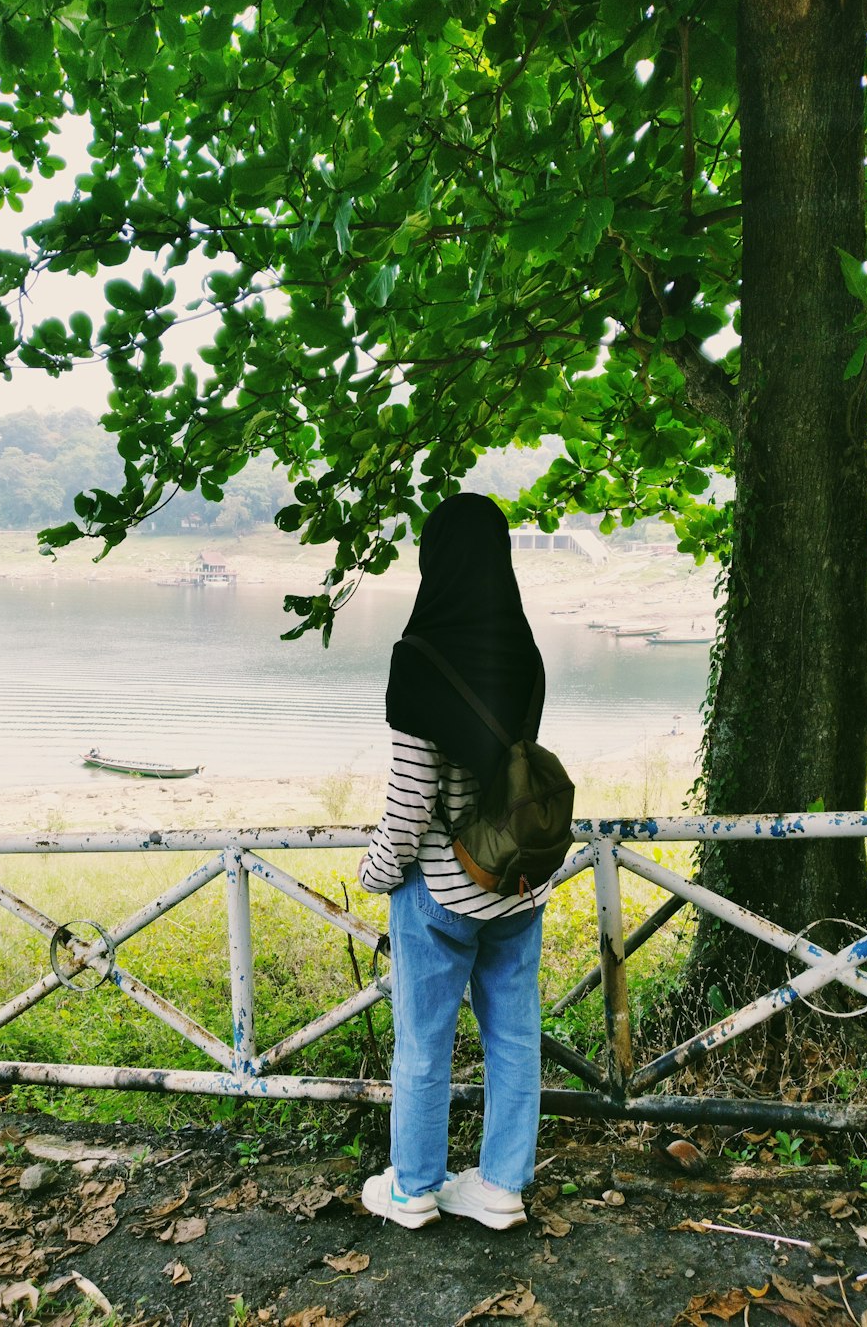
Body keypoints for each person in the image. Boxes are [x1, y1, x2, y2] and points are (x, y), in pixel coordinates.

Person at [357, 493, 553, 1231]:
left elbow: (410, 802)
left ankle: (412, 1187)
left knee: (424, 1039)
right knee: (513, 1034)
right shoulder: (525, 653)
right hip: (517, 882)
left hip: (441, 888)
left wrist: (377, 871)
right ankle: (501, 1186)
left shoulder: (419, 657)